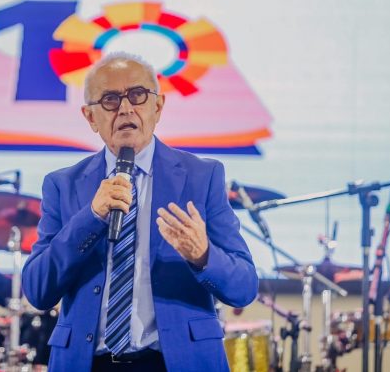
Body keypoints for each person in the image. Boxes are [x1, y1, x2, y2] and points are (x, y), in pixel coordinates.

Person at [22, 52, 258, 371]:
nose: (125, 109)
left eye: (137, 95)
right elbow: (38, 290)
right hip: (88, 363)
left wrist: (203, 255)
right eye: (110, 99)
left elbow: (244, 288)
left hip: (176, 362)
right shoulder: (63, 185)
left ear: (157, 107)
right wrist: (90, 218)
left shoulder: (202, 177)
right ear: (90, 117)